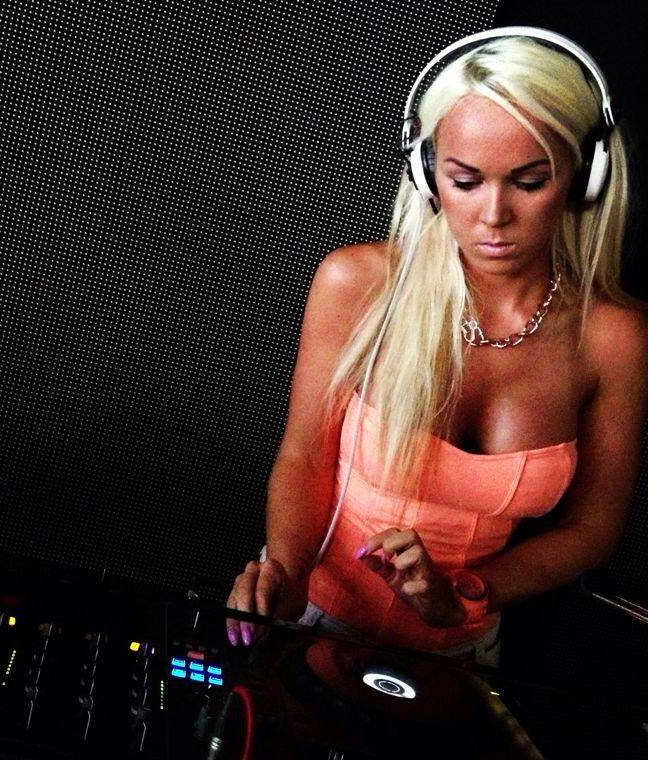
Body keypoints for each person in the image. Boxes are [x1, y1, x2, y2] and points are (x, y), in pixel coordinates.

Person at [225, 29, 648, 666]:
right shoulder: (358, 285)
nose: (494, 215)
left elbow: (592, 530)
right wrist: (284, 573)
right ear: (427, 174)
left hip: (462, 650)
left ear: (585, 177)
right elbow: (305, 456)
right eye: (465, 181)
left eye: (530, 182)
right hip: (310, 617)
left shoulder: (614, 337)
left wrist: (466, 596)